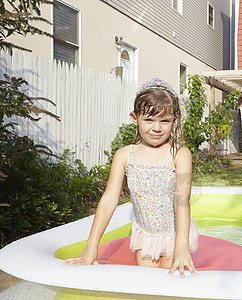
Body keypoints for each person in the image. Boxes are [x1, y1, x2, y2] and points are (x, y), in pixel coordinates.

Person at [63, 78, 199, 276]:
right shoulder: (125, 155)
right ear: (135, 118)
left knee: (171, 288)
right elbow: (109, 199)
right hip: (145, 235)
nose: (157, 128)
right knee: (145, 289)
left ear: (175, 119)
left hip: (173, 234)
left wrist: (181, 245)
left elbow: (182, 200)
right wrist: (91, 247)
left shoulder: (181, 154)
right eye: (149, 120)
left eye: (165, 121)